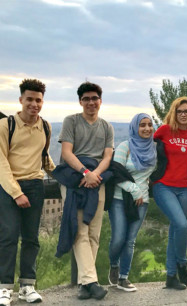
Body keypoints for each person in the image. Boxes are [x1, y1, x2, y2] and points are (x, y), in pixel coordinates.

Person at [0, 79, 56, 306]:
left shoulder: (45, 126)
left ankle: (27, 286)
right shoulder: (6, 125)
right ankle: (4, 288)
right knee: (9, 236)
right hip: (9, 187)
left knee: (32, 239)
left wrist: (67, 175)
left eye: (38, 100)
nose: (34, 104)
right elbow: (1, 162)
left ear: (43, 101)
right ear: (21, 100)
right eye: (30, 99)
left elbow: (45, 158)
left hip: (35, 186)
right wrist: (16, 192)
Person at [57, 82, 114, 300]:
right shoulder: (71, 121)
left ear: (100, 101)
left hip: (96, 180)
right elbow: (67, 152)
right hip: (74, 179)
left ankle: (83, 283)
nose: (91, 102)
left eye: (94, 98)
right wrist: (84, 173)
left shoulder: (107, 126)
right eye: (86, 99)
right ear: (80, 101)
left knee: (93, 233)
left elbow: (107, 156)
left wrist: (95, 174)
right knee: (79, 230)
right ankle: (92, 281)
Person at [152, 97, 187, 290]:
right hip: (163, 185)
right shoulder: (164, 131)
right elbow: (144, 145)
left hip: (184, 189)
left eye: (186, 111)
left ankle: (171, 277)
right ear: (174, 112)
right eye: (180, 111)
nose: (183, 114)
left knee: (175, 231)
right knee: (181, 225)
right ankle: (182, 263)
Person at [107, 113, 156, 292]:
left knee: (130, 240)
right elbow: (116, 173)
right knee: (119, 237)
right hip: (120, 199)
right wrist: (135, 190)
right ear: (135, 127)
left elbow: (156, 173)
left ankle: (123, 277)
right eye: (142, 125)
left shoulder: (154, 149)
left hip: (141, 202)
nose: (146, 128)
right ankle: (114, 263)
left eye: (149, 125)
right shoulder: (124, 146)